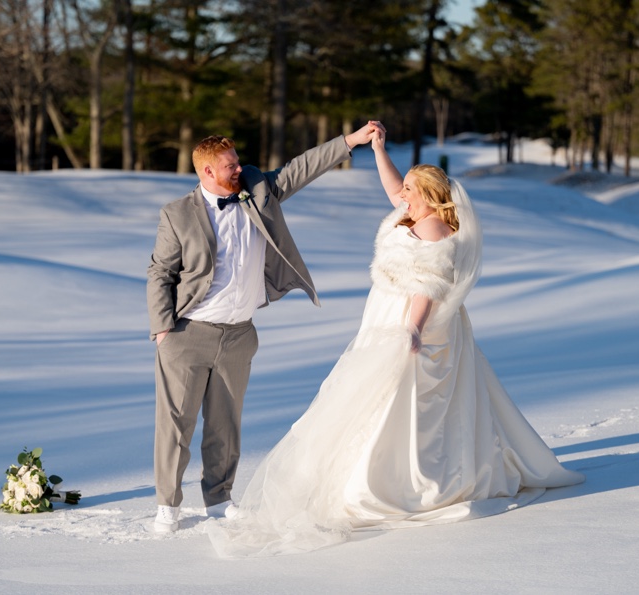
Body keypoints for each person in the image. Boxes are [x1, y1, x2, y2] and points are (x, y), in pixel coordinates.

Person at [205, 123, 585, 557]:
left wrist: (413, 331)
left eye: (409, 188)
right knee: (367, 398)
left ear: (427, 194)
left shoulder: (434, 231)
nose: (400, 193)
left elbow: (427, 287)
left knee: (400, 400)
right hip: (383, 315)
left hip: (410, 321)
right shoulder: (412, 215)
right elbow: (392, 191)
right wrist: (379, 149)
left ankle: (399, 481)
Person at [145, 123, 383, 533]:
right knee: (176, 425)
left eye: (237, 162)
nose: (239, 169)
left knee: (225, 425)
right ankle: (168, 505)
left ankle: (218, 499)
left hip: (238, 334)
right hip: (188, 334)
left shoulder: (258, 191)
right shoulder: (177, 214)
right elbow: (160, 272)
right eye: (229, 166)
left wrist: (350, 142)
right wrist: (163, 329)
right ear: (206, 172)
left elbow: (301, 168)